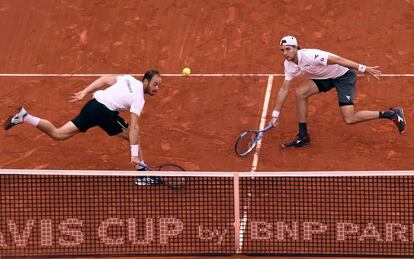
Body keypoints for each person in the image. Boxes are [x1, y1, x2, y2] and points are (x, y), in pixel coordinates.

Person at [4, 70, 162, 185]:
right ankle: (142, 174)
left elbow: (105, 79)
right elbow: (134, 127)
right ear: (146, 82)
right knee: (134, 134)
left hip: (92, 106)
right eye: (155, 84)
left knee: (59, 134)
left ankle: (26, 117)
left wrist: (85, 91)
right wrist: (134, 154)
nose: (157, 88)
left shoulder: (128, 79)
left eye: (159, 86)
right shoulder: (139, 99)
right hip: (104, 113)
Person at [270, 36, 406, 148]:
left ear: (296, 48)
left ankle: (392, 114)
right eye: (282, 50)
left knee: (349, 118)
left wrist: (363, 68)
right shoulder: (288, 65)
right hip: (325, 77)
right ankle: (303, 136)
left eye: (288, 49)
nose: (285, 53)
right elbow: (284, 89)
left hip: (343, 76)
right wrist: (275, 114)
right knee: (300, 93)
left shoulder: (311, 55)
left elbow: (339, 60)